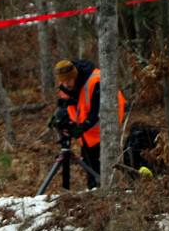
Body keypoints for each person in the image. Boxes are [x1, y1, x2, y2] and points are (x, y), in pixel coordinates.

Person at [53, 59, 126, 189]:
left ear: (75, 76)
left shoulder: (95, 81)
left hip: (105, 134)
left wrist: (82, 127)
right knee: (91, 174)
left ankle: (108, 193)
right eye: (63, 81)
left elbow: (98, 112)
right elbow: (65, 107)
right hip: (86, 137)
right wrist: (60, 121)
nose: (66, 84)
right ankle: (94, 190)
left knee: (105, 174)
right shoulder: (65, 87)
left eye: (68, 80)